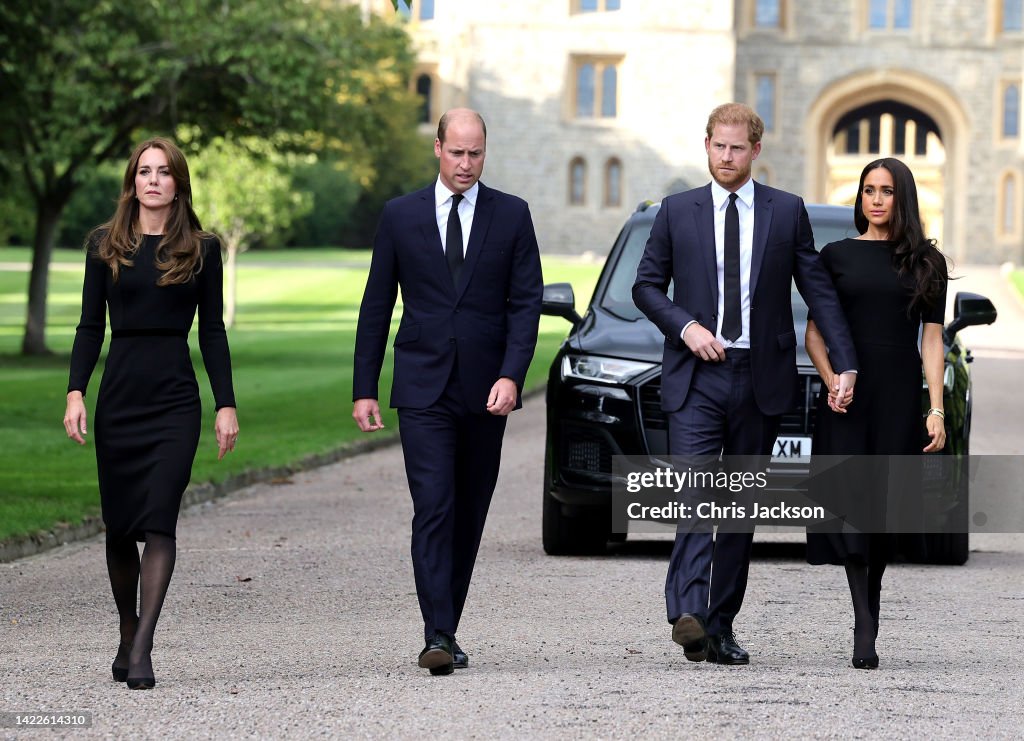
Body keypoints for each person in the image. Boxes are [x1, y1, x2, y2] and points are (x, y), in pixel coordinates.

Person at [632, 103, 858, 666]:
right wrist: (686, 328)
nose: (726, 158)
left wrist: (845, 360)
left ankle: (720, 625)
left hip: (761, 378)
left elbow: (818, 291)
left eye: (737, 148)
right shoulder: (675, 212)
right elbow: (646, 286)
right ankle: (687, 610)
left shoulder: (787, 212)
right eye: (717, 147)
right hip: (697, 375)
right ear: (705, 144)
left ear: (756, 150)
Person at [351, 108, 543, 676]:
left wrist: (512, 374)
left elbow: (526, 303)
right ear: (437, 148)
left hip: (488, 390)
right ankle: (436, 631)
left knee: (469, 511)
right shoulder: (400, 215)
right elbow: (376, 304)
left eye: (476, 153)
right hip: (422, 387)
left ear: (486, 152)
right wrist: (365, 387)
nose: (466, 164)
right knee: (433, 505)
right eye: (456, 152)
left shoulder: (511, 215)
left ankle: (447, 625)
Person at [64, 137, 238, 690]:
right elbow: (91, 326)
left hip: (174, 401)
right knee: (119, 526)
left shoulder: (202, 249)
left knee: (161, 517)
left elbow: (211, 330)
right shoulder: (104, 244)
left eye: (164, 172)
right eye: (144, 171)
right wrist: (75, 392)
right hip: (120, 397)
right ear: (132, 181)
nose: (154, 180)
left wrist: (225, 403)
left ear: (178, 183)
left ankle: (143, 649)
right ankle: (126, 628)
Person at [805, 157, 948, 669]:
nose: (877, 200)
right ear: (860, 198)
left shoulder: (928, 262)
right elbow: (816, 332)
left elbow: (933, 340)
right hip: (849, 396)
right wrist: (830, 381)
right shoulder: (836, 256)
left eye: (887, 191)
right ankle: (865, 623)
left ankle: (869, 615)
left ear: (902, 197)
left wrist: (935, 408)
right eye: (868, 190)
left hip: (897, 395)